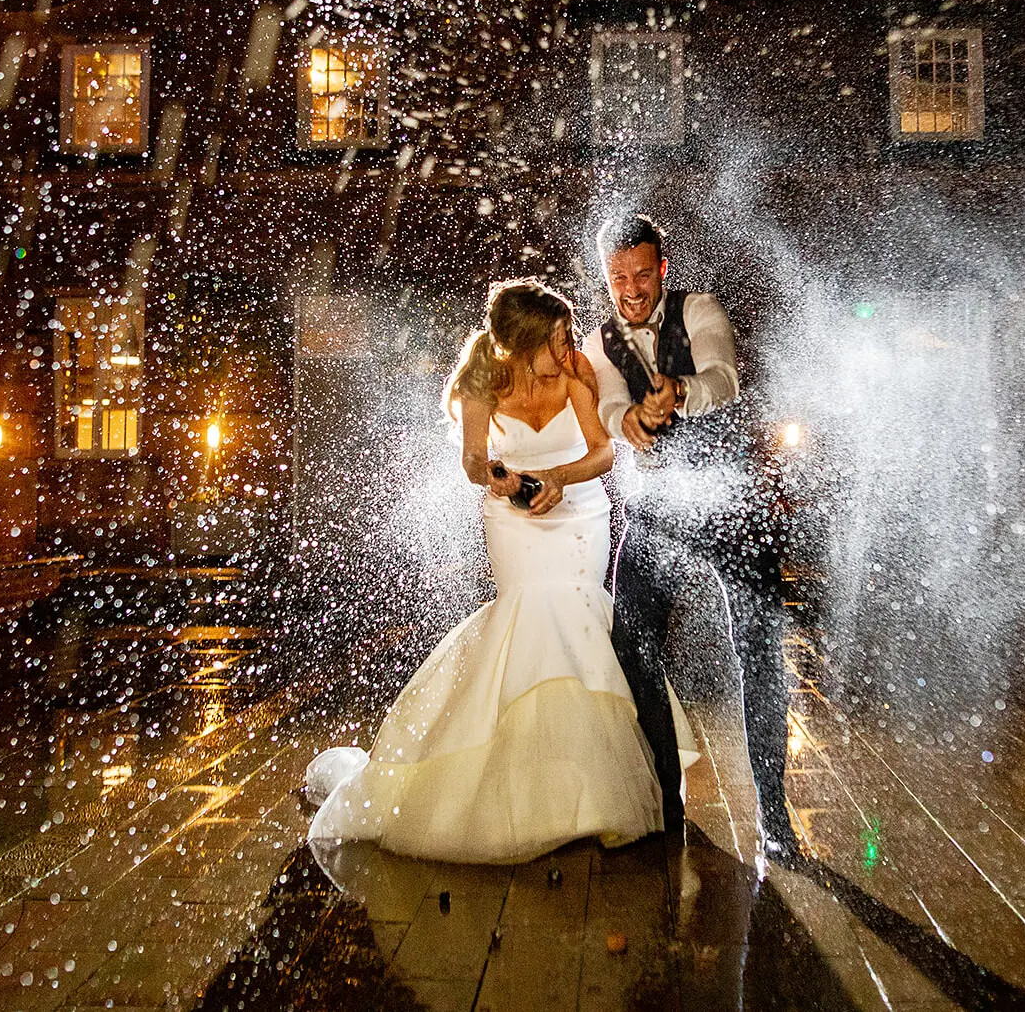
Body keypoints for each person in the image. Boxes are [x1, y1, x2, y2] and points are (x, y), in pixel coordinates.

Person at [306, 279, 696, 864]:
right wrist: (498, 475)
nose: (569, 349)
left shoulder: (575, 372)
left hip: (580, 513)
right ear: (522, 343)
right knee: (531, 619)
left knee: (581, 621)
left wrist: (560, 479)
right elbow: (470, 459)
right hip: (512, 519)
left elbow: (603, 451)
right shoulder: (481, 382)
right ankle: (528, 788)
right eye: (558, 339)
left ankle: (591, 791)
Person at [585, 212, 800, 860]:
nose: (632, 287)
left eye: (643, 274)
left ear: (663, 269)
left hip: (732, 503)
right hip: (659, 509)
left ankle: (775, 812)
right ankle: (667, 801)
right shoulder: (599, 344)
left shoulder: (699, 308)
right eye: (619, 276)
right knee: (631, 643)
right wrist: (631, 420)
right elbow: (607, 405)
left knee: (759, 651)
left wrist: (679, 392)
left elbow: (724, 379)